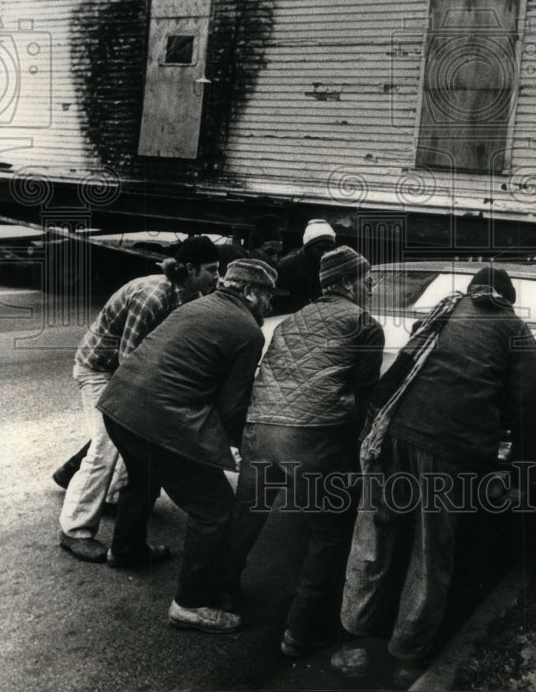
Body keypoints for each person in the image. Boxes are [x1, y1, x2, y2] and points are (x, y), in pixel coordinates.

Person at [331, 266, 536, 687]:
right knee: (432, 553)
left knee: (374, 536)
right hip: (448, 447)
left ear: (471, 292)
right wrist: (523, 469)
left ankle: (353, 641)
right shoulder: (514, 328)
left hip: (389, 434)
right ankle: (407, 657)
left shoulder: (443, 311)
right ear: (508, 298)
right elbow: (531, 406)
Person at [97, 259, 278, 633]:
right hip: (156, 420)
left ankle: (125, 551)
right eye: (265, 297)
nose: (269, 306)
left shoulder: (195, 304)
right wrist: (240, 446)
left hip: (118, 406)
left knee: (143, 477)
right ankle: (190, 603)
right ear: (247, 292)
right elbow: (232, 406)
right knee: (214, 509)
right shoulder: (248, 331)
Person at [224, 246, 384, 657]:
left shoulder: (291, 320)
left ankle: (220, 596)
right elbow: (365, 397)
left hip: (260, 432)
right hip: (313, 439)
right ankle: (302, 631)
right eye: (367, 279)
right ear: (348, 282)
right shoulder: (365, 324)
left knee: (246, 516)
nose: (372, 285)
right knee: (329, 532)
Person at [58, 236, 221, 563]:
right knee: (106, 446)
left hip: (120, 368)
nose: (217, 276)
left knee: (126, 437)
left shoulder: (191, 293)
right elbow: (128, 361)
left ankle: (113, 496)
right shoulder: (152, 296)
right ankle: (74, 530)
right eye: (212, 270)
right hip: (99, 370)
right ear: (190, 269)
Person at [273, 218, 336, 313]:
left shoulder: (329, 265)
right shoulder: (286, 266)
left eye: (329, 248)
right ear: (308, 247)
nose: (325, 253)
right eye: (320, 248)